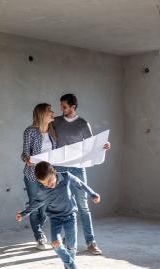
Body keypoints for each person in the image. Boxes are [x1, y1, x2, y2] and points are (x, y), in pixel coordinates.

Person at [53, 93, 110, 255]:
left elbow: (92, 145)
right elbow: (45, 138)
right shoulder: (55, 122)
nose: (61, 109)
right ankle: (65, 238)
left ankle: (91, 242)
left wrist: (103, 146)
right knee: (64, 206)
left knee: (83, 206)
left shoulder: (83, 124)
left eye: (64, 106)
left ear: (73, 107)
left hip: (78, 168)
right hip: (60, 168)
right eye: (61, 106)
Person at [16, 161, 101, 269]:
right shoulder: (44, 190)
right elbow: (36, 203)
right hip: (55, 219)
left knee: (71, 247)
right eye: (45, 184)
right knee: (56, 244)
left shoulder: (66, 176)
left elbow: (80, 184)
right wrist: (23, 213)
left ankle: (69, 266)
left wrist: (93, 194)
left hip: (70, 217)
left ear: (54, 172)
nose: (49, 185)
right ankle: (72, 266)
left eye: (50, 181)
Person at [21, 103, 57, 250]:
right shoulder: (30, 131)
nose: (52, 112)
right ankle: (39, 236)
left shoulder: (53, 131)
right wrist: (27, 159)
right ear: (42, 114)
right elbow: (23, 153)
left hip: (48, 175)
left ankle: (39, 228)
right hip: (32, 175)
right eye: (49, 111)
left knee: (44, 206)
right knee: (34, 205)